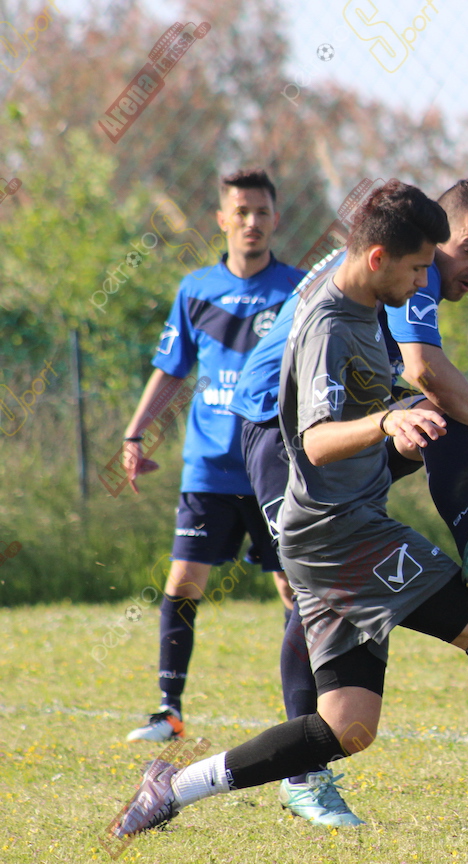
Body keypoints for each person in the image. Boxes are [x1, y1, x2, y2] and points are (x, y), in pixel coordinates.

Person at [110, 180, 468, 839]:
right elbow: (315, 441)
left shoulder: (363, 300)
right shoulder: (331, 324)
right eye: (420, 268)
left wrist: (400, 421)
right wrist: (389, 423)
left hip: (329, 525)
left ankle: (171, 787)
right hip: (335, 530)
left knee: (348, 726)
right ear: (378, 259)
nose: (427, 282)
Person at [226, 179, 468, 825]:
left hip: (340, 421)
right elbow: (424, 369)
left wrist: (405, 416)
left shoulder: (395, 260)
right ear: (430, 240)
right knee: (311, 582)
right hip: (279, 433)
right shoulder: (407, 268)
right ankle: (303, 776)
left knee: (433, 420)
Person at [122, 168, 301, 744]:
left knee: (295, 589)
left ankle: (303, 716)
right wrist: (135, 434)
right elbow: (171, 369)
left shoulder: (297, 290)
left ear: (276, 219)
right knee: (183, 581)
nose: (252, 222)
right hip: (209, 467)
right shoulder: (195, 289)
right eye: (241, 212)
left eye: (262, 212)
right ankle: (168, 712)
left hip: (274, 464)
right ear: (223, 219)